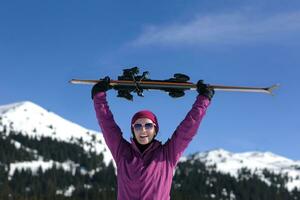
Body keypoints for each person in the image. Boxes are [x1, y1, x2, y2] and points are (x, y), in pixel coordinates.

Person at [91, 77, 214, 200]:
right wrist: (99, 97)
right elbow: (107, 125)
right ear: (133, 130)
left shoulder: (167, 155)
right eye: (138, 126)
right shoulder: (122, 153)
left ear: (155, 130)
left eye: (148, 125)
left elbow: (187, 129)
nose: (143, 130)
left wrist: (203, 100)